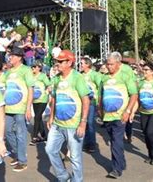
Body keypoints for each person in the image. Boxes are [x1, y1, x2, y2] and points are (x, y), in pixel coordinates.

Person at [45, 50, 90, 182]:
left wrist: (83, 122)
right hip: (57, 125)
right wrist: (51, 116)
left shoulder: (77, 78)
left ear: (69, 62)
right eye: (57, 61)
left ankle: (77, 180)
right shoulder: (56, 78)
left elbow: (85, 100)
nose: (57, 63)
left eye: (60, 61)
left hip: (74, 125)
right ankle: (63, 176)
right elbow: (54, 98)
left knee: (75, 157)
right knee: (50, 150)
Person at [99, 52, 138, 179]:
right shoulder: (104, 78)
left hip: (120, 115)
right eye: (107, 64)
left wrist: (128, 111)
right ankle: (121, 163)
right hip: (107, 115)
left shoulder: (125, 76)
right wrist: (100, 110)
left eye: (111, 64)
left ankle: (116, 169)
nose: (108, 66)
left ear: (118, 64)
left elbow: (134, 94)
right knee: (115, 141)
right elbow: (100, 96)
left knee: (116, 141)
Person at [2, 47, 34, 172]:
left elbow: (30, 89)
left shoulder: (26, 70)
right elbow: (5, 88)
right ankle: (17, 153)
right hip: (8, 108)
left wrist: (28, 108)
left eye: (13, 56)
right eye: (10, 56)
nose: (10, 58)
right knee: (8, 131)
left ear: (20, 57)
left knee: (21, 134)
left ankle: (22, 160)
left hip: (21, 108)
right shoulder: (9, 72)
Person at [80, 56, 102, 153]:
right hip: (82, 102)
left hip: (92, 102)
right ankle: (85, 143)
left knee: (90, 123)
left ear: (88, 64)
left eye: (82, 63)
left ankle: (92, 144)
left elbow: (100, 88)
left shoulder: (95, 75)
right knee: (83, 122)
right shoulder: (80, 75)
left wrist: (98, 101)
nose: (80, 65)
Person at [30, 61, 51, 145]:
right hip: (35, 100)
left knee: (37, 117)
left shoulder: (42, 76)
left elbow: (48, 85)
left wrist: (47, 92)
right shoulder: (30, 76)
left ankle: (34, 137)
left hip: (43, 99)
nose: (33, 69)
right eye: (32, 67)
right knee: (38, 118)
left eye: (34, 67)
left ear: (39, 68)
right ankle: (44, 136)